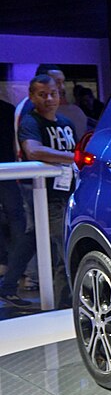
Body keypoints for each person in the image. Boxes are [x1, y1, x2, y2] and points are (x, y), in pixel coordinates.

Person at [17, 74, 77, 308]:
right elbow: (33, 150)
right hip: (48, 199)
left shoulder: (66, 122)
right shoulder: (30, 122)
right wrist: (71, 156)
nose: (49, 99)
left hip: (70, 195)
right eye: (42, 95)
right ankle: (63, 306)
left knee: (67, 254)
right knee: (64, 253)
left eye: (53, 93)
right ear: (32, 97)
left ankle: (68, 305)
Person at [1, 98, 35, 308]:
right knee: (27, 229)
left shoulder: (10, 109)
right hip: (19, 176)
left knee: (23, 225)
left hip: (16, 174)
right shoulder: (19, 110)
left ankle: (11, 277)